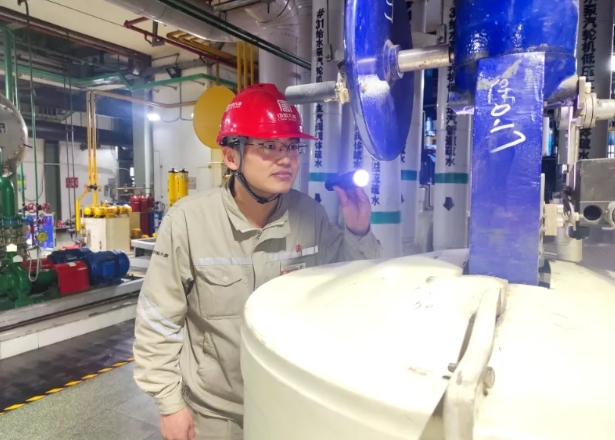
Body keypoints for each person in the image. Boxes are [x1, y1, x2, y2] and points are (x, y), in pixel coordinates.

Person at [133, 83, 383, 440]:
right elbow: (158, 320)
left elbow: (350, 286)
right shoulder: (188, 221)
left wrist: (358, 230)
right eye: (269, 146)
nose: (286, 159)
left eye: (292, 146)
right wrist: (170, 404)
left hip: (291, 405)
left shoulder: (310, 215)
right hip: (216, 415)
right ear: (231, 156)